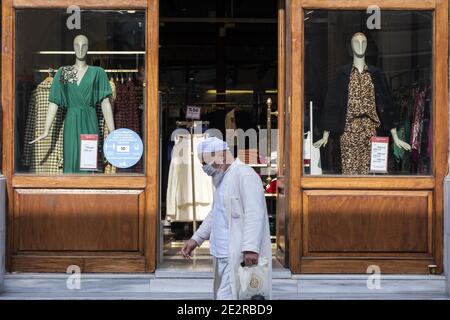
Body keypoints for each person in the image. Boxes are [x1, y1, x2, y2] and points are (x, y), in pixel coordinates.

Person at [180, 137, 272, 300]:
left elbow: (255, 214)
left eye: (205, 163)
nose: (205, 168)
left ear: (220, 155)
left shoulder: (245, 174)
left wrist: (250, 248)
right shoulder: (223, 178)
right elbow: (215, 214)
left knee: (228, 296)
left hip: (238, 254)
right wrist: (196, 239)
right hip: (222, 254)